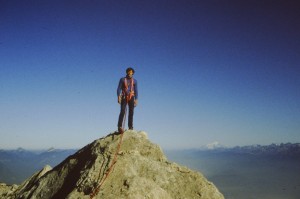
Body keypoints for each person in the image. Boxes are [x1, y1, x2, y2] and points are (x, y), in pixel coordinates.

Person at [117, 67, 138, 133]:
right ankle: (119, 126)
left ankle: (130, 127)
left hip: (131, 97)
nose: (130, 73)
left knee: (131, 112)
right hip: (124, 97)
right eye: (129, 72)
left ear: (133, 73)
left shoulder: (135, 81)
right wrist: (118, 96)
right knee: (122, 111)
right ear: (127, 72)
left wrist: (136, 99)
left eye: (131, 72)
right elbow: (119, 88)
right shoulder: (122, 79)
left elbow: (136, 90)